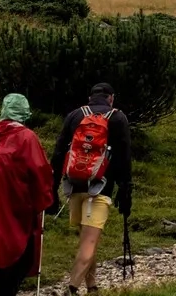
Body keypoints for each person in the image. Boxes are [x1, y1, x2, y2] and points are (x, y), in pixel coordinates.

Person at [0, 95, 53, 296]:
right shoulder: (26, 137)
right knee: (21, 256)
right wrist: (45, 199)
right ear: (24, 114)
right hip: (16, 206)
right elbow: (39, 171)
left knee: (0, 251)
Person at [53, 83, 133, 293]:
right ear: (111, 98)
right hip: (100, 189)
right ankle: (71, 288)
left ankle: (92, 286)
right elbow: (125, 158)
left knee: (87, 239)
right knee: (89, 243)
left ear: (90, 98)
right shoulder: (117, 118)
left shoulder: (75, 115)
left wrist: (52, 187)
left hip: (74, 187)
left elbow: (59, 152)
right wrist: (125, 190)